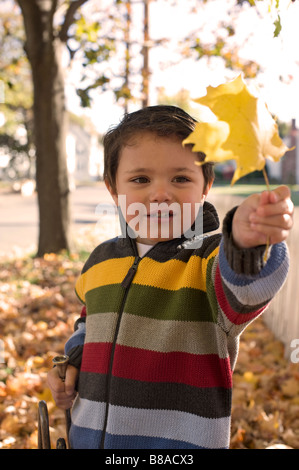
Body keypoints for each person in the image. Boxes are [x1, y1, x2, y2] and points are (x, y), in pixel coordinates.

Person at [47, 105, 293, 449]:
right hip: (87, 438)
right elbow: (89, 324)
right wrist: (73, 362)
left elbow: (245, 289)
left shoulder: (208, 264)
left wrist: (246, 243)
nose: (160, 194)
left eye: (180, 178)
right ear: (112, 186)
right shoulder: (101, 261)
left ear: (205, 185)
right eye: (140, 179)